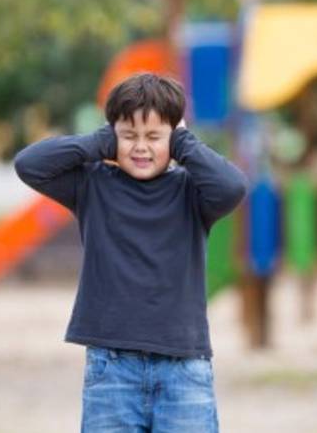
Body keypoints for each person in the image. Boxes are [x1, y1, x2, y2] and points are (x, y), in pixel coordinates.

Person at [15, 72, 248, 432]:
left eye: (154, 137)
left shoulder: (193, 194)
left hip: (183, 368)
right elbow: (29, 165)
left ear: (174, 137)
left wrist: (183, 141)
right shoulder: (91, 185)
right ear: (112, 137)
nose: (141, 147)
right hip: (112, 367)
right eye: (129, 137)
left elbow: (232, 186)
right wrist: (102, 141)